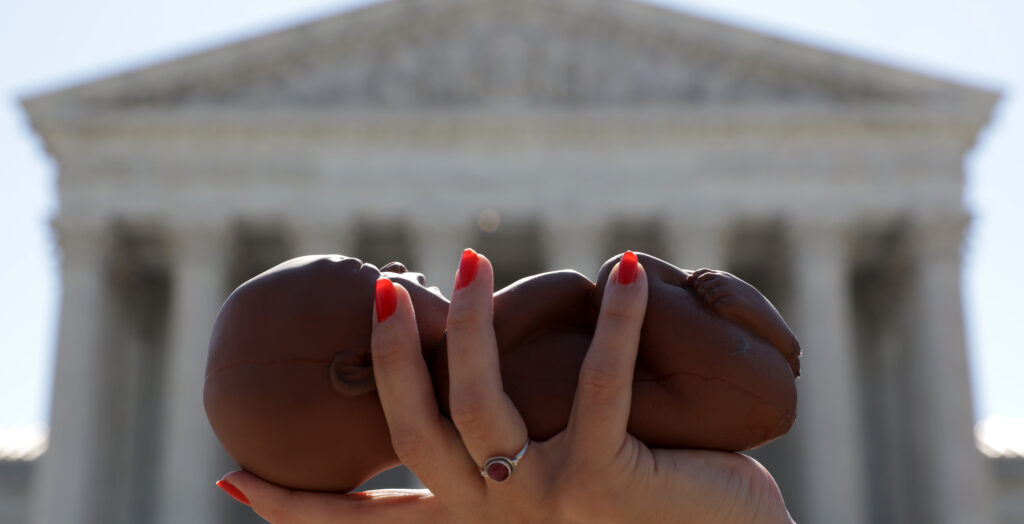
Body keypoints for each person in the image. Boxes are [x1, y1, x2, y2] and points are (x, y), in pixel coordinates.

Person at [213, 252, 795, 522]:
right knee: (639, 279)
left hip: (717, 380)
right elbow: (565, 287)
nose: (403, 269)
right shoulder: (490, 340)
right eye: (384, 278)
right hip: (721, 373)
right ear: (359, 369)